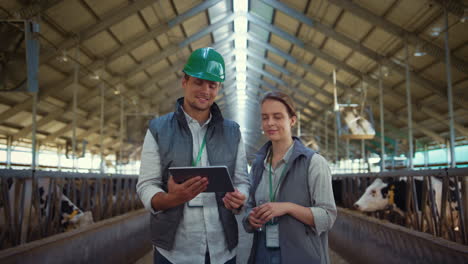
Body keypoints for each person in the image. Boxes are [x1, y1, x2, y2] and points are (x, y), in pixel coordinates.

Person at [137, 47, 250, 264]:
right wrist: (171, 199)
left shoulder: (233, 132)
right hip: (175, 251)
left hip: (222, 250)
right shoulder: (158, 129)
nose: (205, 90)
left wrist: (239, 198)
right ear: (185, 82)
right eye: (199, 82)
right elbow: (146, 185)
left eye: (212, 85)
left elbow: (242, 181)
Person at [243, 91, 337, 264]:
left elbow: (327, 216)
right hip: (262, 254)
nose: (270, 123)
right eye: (265, 118)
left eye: (277, 117)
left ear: (292, 120)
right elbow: (249, 207)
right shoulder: (258, 165)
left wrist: (288, 207)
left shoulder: (314, 163)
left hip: (301, 256)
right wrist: (250, 217)